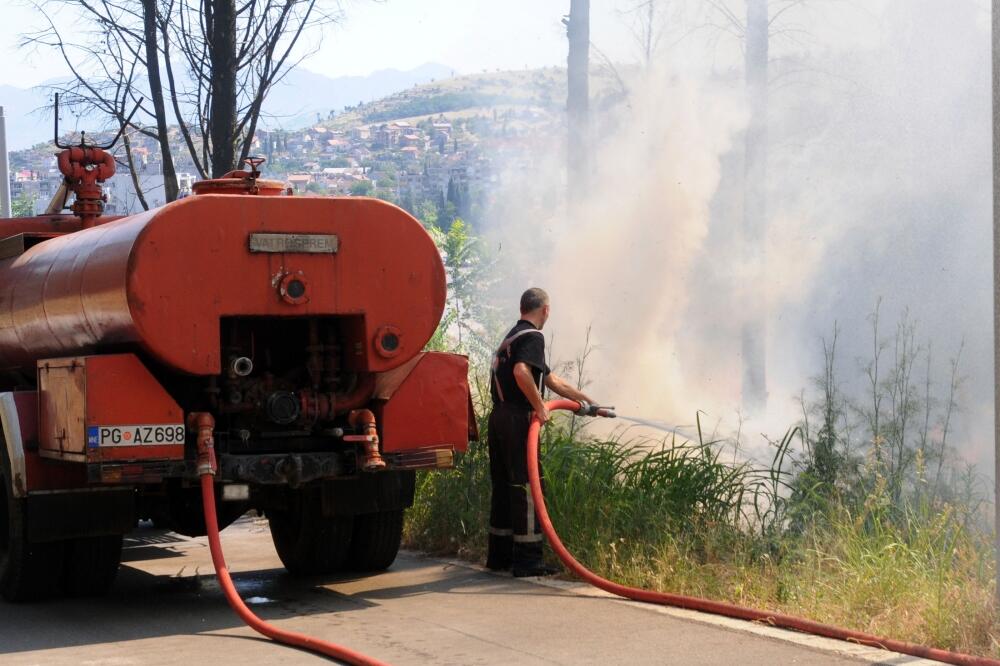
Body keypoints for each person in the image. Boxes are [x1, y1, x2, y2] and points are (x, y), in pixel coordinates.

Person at [486, 287, 599, 577]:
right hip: (516, 419)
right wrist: (540, 407)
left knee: (504, 485)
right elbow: (522, 373)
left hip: (498, 417)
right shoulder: (534, 336)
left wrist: (586, 402)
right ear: (545, 310)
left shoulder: (513, 336)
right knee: (526, 485)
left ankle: (499, 556)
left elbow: (550, 379)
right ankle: (527, 560)